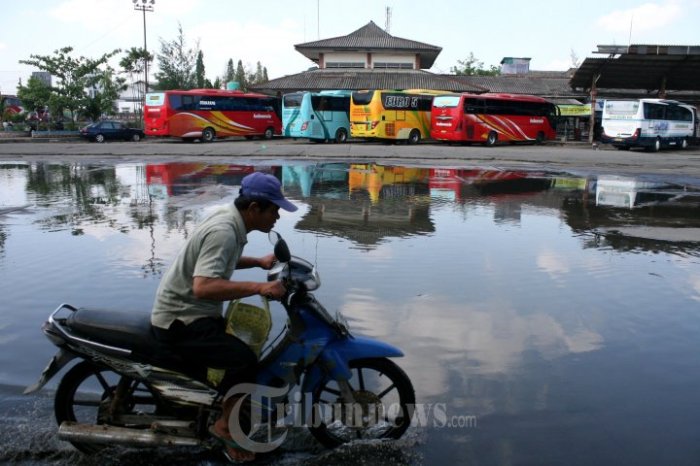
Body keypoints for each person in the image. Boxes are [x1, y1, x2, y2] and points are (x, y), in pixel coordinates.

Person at [150, 171, 297, 463]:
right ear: (254, 209)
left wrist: (257, 262)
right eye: (274, 210)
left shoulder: (229, 220)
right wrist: (260, 286)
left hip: (189, 314)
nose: (277, 217)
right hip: (182, 321)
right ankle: (225, 428)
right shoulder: (224, 231)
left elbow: (219, 261)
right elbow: (203, 286)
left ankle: (209, 409)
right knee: (242, 360)